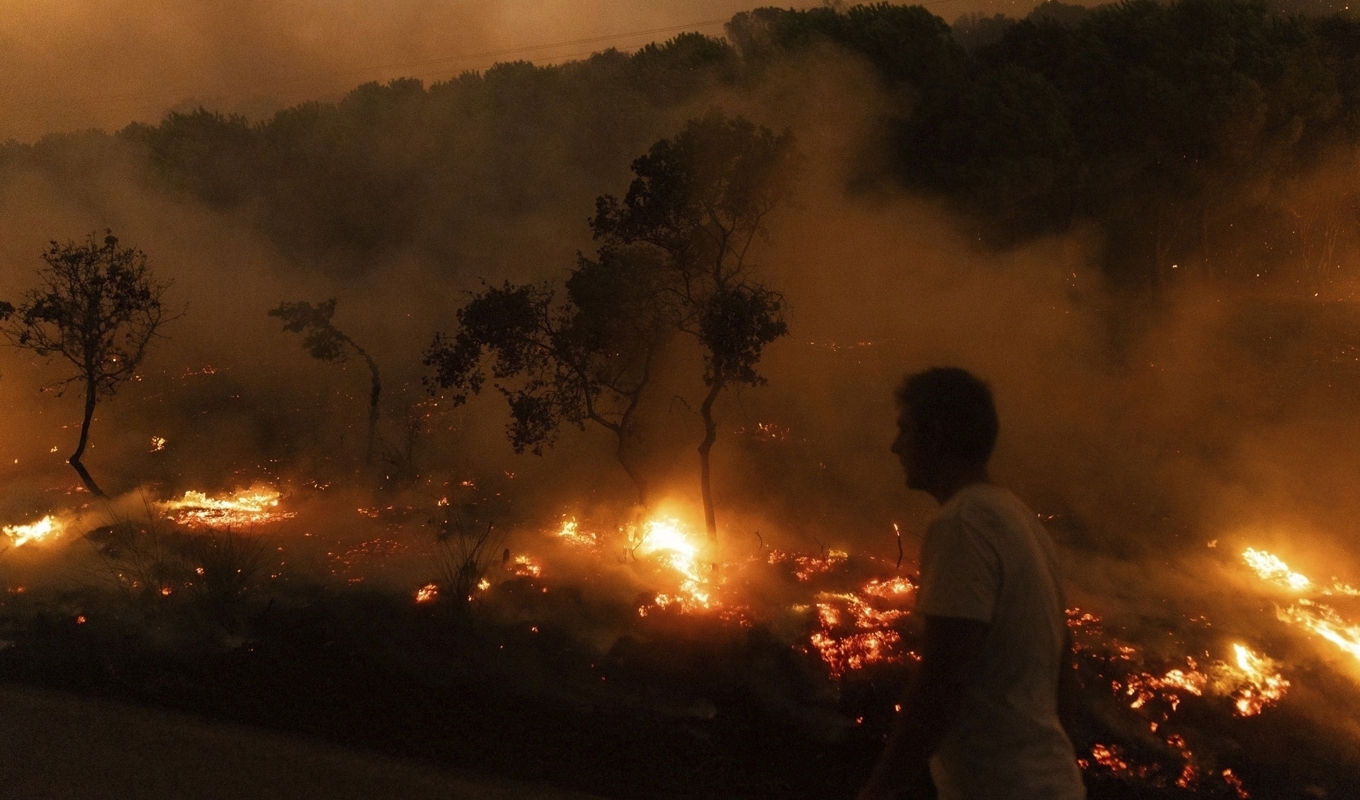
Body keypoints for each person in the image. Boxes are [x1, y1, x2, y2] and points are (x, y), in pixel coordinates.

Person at [858, 367, 1085, 800]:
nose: (895, 446)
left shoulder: (962, 524)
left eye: (904, 429)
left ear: (938, 434)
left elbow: (941, 683)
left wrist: (877, 793)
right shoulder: (1021, 521)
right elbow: (1064, 674)